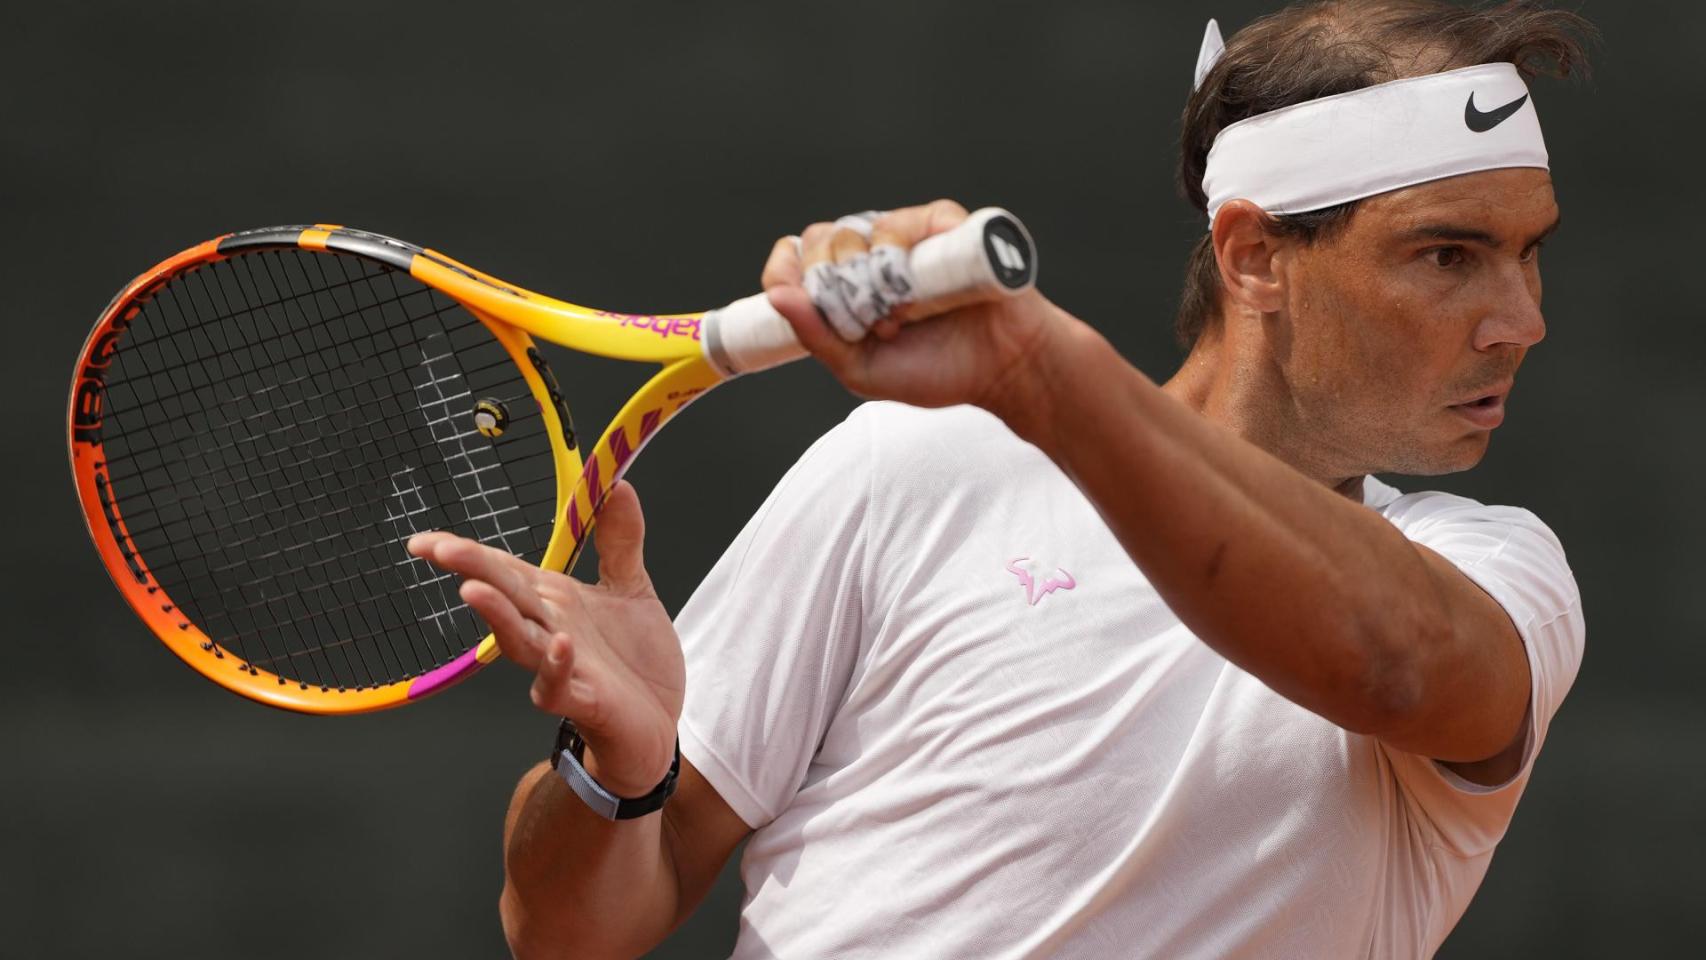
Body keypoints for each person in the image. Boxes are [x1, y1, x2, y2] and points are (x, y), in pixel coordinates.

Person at [407, 1, 1593, 956]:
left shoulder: (1492, 576)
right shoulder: (910, 469)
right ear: (1252, 257)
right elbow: (564, 935)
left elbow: (1392, 665)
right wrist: (619, 774)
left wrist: (1038, 368)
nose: (1518, 322)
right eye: (1448, 255)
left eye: (1526, 255)